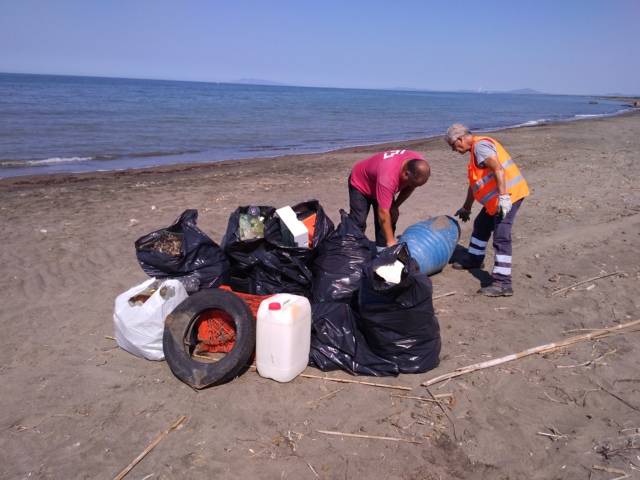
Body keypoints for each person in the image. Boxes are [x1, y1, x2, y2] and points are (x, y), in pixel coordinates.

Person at [445, 124, 529, 297]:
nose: (454, 150)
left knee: (501, 236)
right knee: (481, 224)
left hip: (509, 196)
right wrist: (467, 207)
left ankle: (502, 282)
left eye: (453, 146)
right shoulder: (475, 150)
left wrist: (504, 198)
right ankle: (474, 258)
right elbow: (475, 184)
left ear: (460, 139)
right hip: (497, 199)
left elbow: (498, 169)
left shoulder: (480, 147)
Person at [348, 149, 430, 248]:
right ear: (406, 174)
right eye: (412, 183)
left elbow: (410, 187)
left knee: (391, 216)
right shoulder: (388, 178)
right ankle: (351, 248)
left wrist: (395, 206)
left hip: (380, 184)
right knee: (359, 221)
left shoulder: (418, 163)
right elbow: (383, 213)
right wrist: (391, 241)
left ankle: (381, 249)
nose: (413, 187)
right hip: (360, 183)